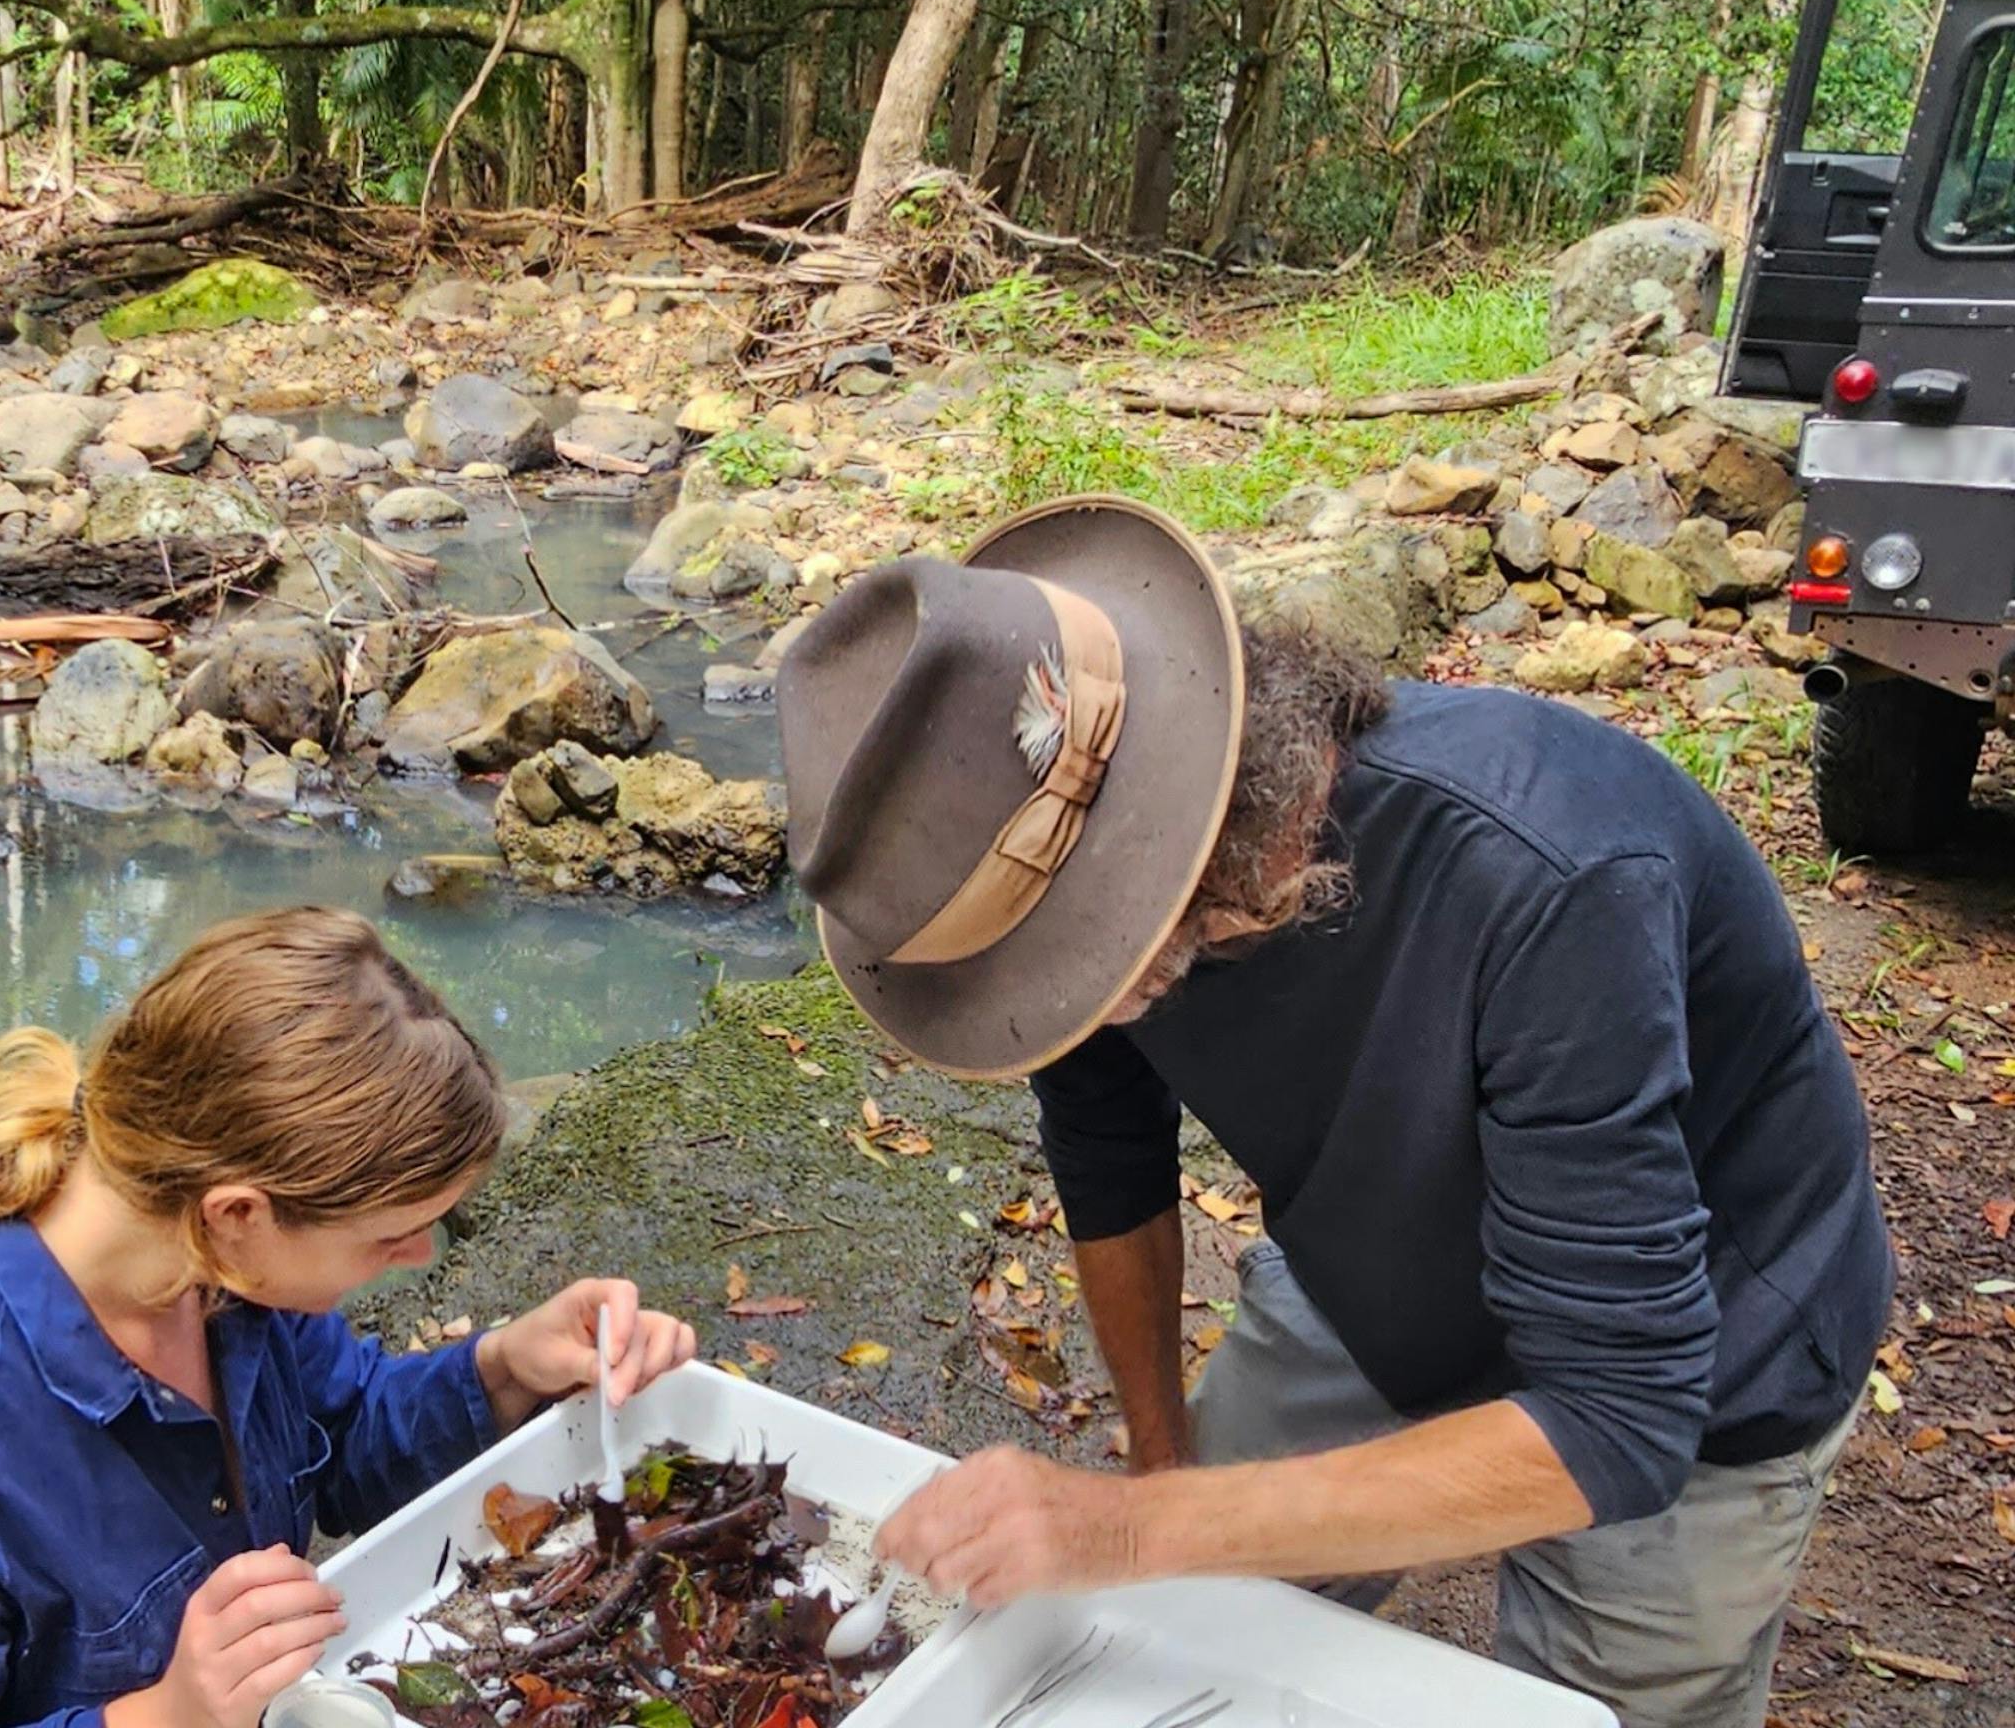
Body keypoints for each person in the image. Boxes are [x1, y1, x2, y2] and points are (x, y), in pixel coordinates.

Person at [773, 495, 1892, 1728]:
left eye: (1081, 961)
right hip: (1375, 1262)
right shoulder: (1063, 918)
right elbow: (1109, 1154)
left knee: (1609, 1709)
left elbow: (1620, 1420)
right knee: (1188, 1615)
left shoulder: (1548, 876)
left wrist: (1135, 1526)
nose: (1067, 998)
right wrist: (1160, 1462)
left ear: (1214, 854)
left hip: (1704, 1342)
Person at [0, 906, 697, 1728]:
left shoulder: (216, 1278)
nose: (418, 1260)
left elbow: (341, 1431)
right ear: (239, 1213)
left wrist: (505, 1371)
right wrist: (160, 1714)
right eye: (392, 1234)